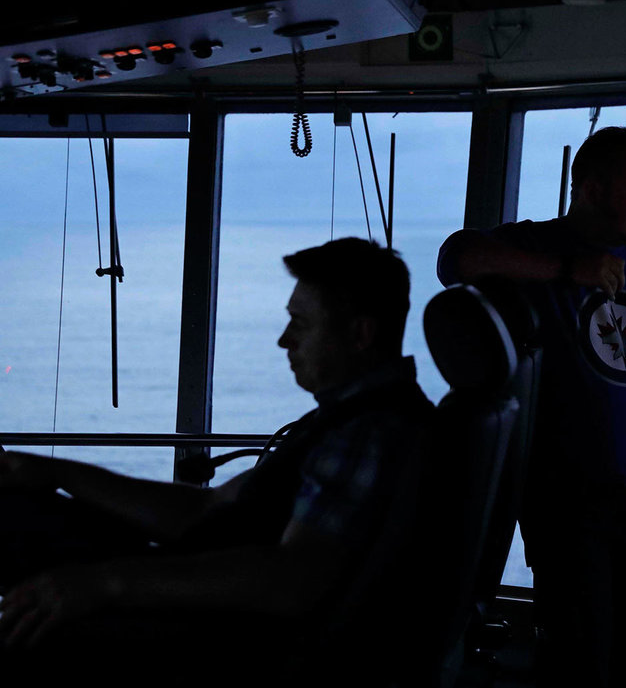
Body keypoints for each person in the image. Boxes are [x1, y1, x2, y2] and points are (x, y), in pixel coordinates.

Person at [0, 238, 432, 681]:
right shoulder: (350, 418)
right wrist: (55, 472)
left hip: (222, 640)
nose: (285, 340)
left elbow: (291, 581)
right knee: (17, 510)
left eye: (300, 324)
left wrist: (102, 584)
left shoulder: (370, 433)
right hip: (212, 613)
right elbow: (204, 510)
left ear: (360, 334)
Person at [437, 126, 626, 687]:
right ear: (591, 188)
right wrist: (567, 271)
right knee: (578, 659)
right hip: (566, 499)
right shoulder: (533, 247)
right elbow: (455, 259)